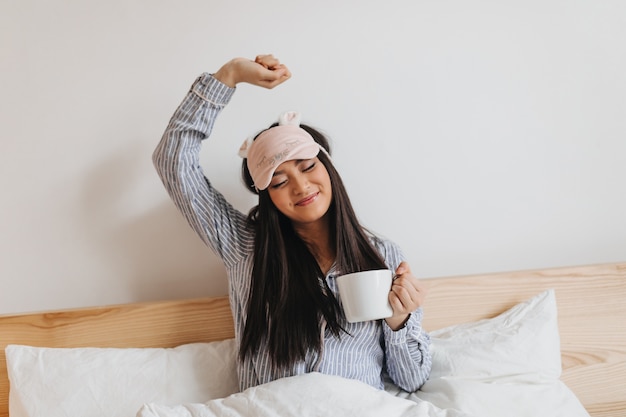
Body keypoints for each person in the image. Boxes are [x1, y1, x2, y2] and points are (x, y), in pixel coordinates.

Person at [153, 54, 432, 392]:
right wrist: (230, 75)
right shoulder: (245, 248)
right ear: (267, 197)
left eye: (307, 166)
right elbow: (172, 160)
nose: (301, 187)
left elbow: (412, 381)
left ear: (327, 167)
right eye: (279, 182)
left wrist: (399, 320)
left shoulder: (382, 255)